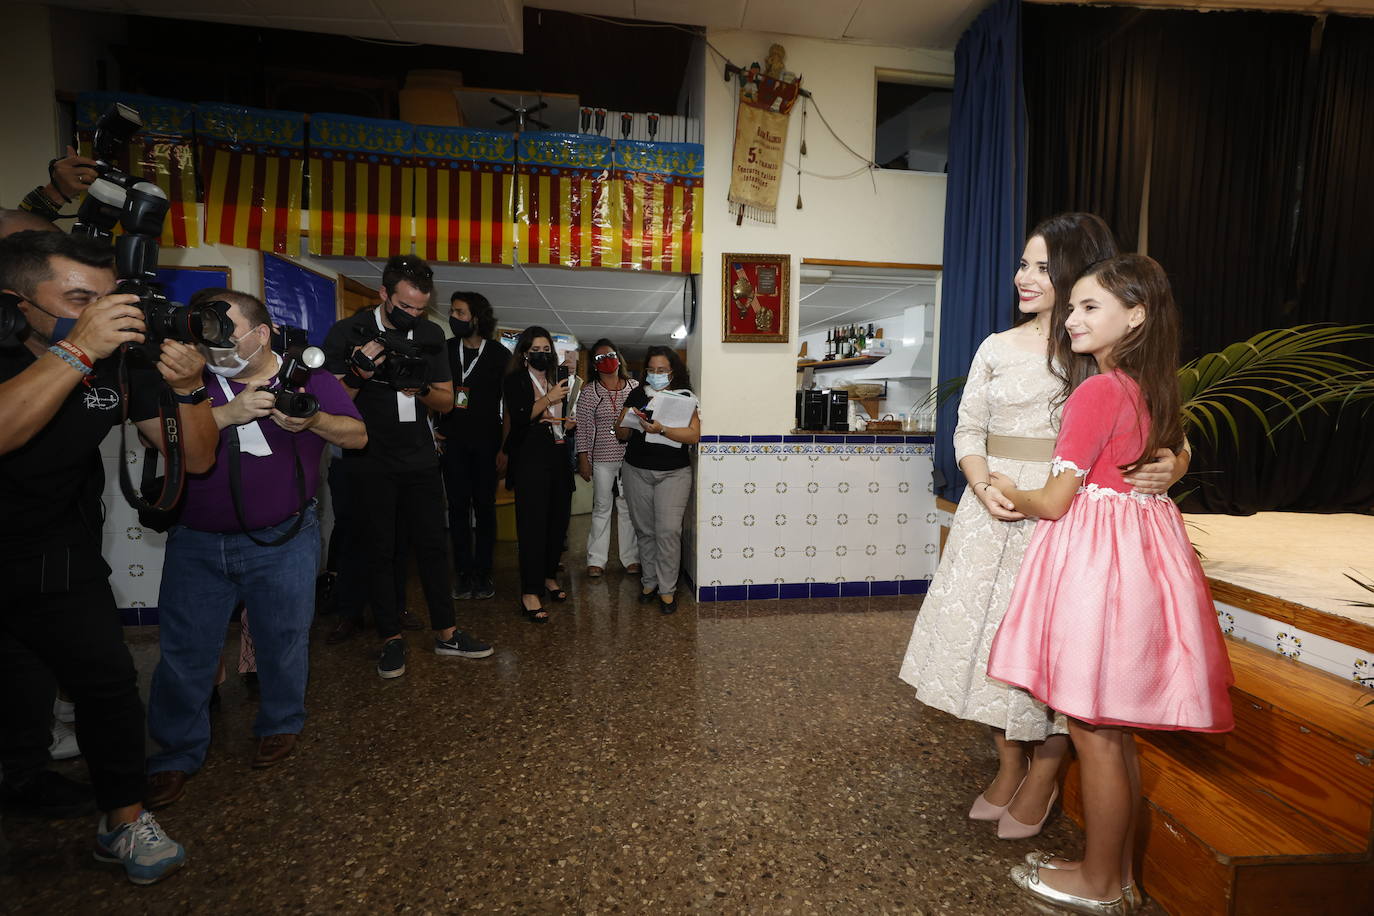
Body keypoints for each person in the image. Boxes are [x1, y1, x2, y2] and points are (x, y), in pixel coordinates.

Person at [897, 214, 1189, 841]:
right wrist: (979, 484)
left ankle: (1046, 772)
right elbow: (967, 428)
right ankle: (1008, 768)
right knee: (995, 653)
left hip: (1065, 520)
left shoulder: (1099, 353)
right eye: (1022, 265)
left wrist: (1173, 463)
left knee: (1059, 657)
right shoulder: (998, 346)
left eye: (1038, 266)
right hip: (993, 510)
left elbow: (1164, 433)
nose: (1022, 277)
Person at [987, 254, 1234, 912]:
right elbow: (1163, 458)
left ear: (1137, 314)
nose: (1072, 317)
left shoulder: (1098, 391)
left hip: (1098, 573)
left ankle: (1098, 884)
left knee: (1093, 732)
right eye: (1072, 307)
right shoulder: (1154, 390)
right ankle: (1115, 876)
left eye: (1090, 307)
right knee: (1109, 734)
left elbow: (1058, 499)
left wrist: (1008, 486)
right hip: (1138, 562)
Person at [0, 229, 220, 884]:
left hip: (56, 553)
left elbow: (197, 457)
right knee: (17, 686)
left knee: (108, 684)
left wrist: (189, 391)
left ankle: (123, 823)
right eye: (76, 298)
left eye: (105, 298)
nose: (100, 313)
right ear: (15, 303)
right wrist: (77, 348)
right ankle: (21, 776)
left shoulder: (119, 365)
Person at [142, 289, 366, 811]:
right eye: (206, 332)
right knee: (185, 652)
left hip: (284, 539)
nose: (214, 344)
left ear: (261, 334)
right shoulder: (184, 381)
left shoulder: (310, 378)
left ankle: (281, 723)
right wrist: (227, 413)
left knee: (283, 640)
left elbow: (357, 437)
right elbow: (161, 440)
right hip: (197, 541)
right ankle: (174, 753)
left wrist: (312, 421)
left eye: (226, 331)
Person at [323, 254, 492, 678]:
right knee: (379, 549)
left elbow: (446, 400)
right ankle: (390, 639)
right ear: (384, 294)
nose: (414, 315)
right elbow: (332, 406)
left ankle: (447, 632)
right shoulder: (349, 333)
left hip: (417, 455)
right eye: (406, 307)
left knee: (434, 546)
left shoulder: (430, 334)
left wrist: (415, 387)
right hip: (369, 456)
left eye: (421, 308)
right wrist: (360, 374)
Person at [616, 347, 700, 614]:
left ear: (673, 371)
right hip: (636, 470)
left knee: (668, 531)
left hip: (673, 473)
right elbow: (622, 434)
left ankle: (667, 590)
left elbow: (693, 436)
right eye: (651, 370)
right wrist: (625, 420)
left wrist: (661, 428)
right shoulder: (637, 394)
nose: (656, 375)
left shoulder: (684, 397)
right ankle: (649, 583)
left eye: (662, 370)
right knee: (645, 530)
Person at [437, 291, 508, 601]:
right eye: (452, 312)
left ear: (477, 318)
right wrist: (431, 429)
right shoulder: (444, 350)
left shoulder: (499, 355)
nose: (454, 317)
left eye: (460, 312)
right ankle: (463, 573)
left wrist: (504, 448)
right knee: (456, 509)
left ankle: (484, 572)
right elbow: (429, 393)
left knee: (485, 507)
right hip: (452, 442)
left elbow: (508, 408)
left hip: (487, 443)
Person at [502, 327, 576, 622]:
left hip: (558, 454)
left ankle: (547, 576)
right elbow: (520, 417)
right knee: (533, 526)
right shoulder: (515, 380)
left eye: (547, 350)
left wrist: (566, 423)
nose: (542, 354)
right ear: (524, 353)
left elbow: (560, 414)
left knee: (557, 522)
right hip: (530, 457)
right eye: (537, 349)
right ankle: (530, 592)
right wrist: (549, 398)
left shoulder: (559, 380)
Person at [575, 338, 641, 579]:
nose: (607, 360)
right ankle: (596, 560)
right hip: (602, 457)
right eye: (600, 357)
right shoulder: (589, 392)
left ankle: (631, 558)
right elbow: (582, 427)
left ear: (618, 357)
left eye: (610, 355)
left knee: (626, 507)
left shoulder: (634, 387)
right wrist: (584, 459)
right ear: (594, 364)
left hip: (630, 459)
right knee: (602, 506)